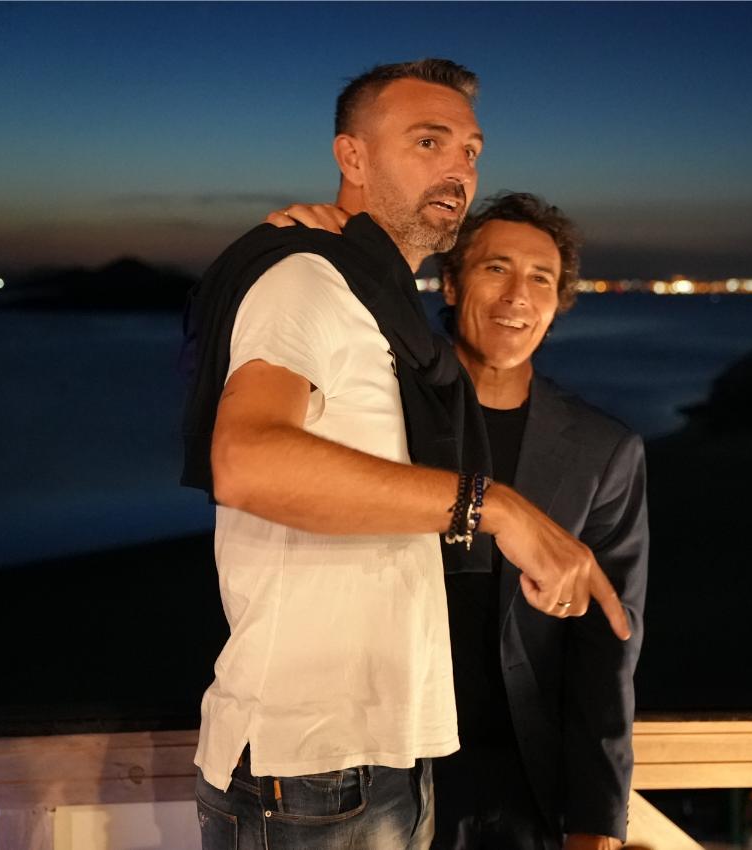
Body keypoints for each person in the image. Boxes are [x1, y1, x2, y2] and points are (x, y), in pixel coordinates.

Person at [181, 59, 630, 850]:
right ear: (351, 157)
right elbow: (246, 460)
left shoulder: (377, 307)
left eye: (471, 150)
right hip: (309, 763)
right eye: (428, 141)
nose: (458, 168)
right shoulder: (306, 281)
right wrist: (497, 507)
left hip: (386, 755)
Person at [266, 192, 648, 850]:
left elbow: (605, 656)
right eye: (496, 269)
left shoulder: (602, 450)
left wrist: (597, 822)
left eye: (541, 278)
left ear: (559, 302)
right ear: (451, 283)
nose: (517, 296)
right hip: (378, 770)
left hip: (525, 784)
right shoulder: (379, 415)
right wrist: (294, 249)